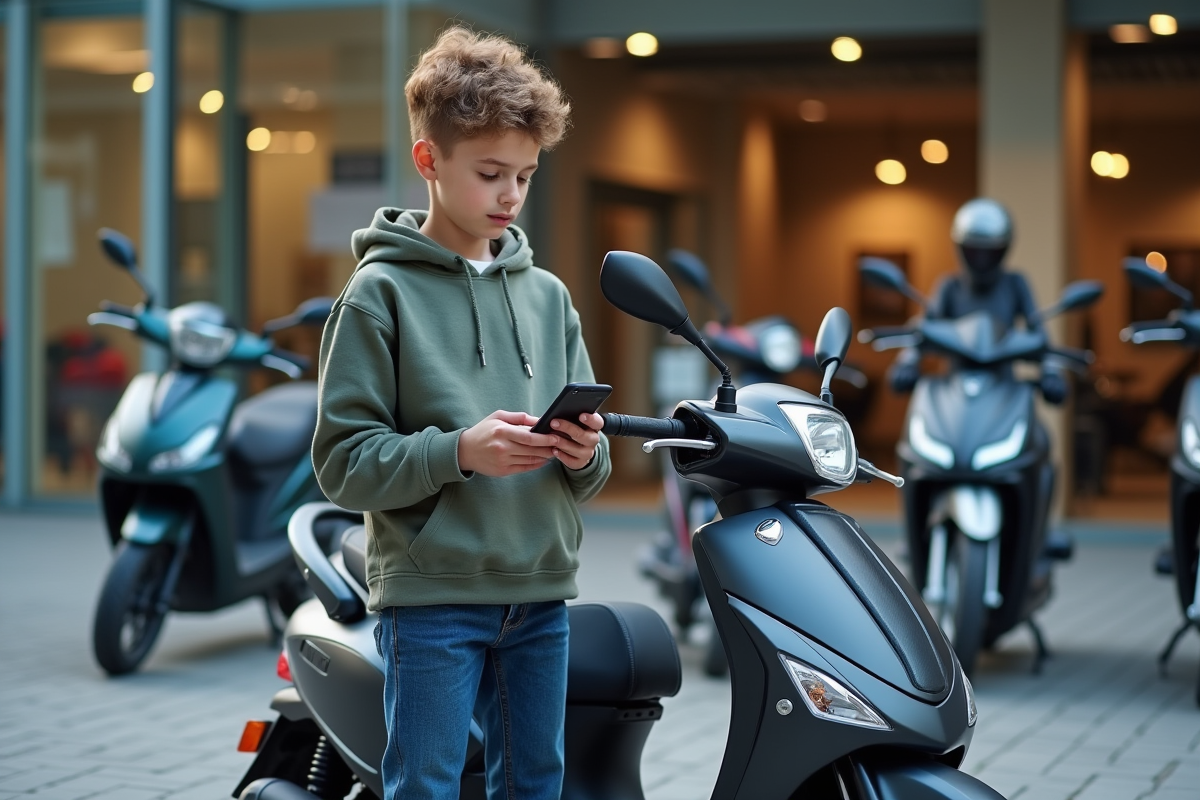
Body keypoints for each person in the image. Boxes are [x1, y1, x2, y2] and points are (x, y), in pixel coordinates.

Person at [310, 26, 611, 800]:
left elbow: (591, 474)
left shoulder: (548, 298)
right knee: (427, 786)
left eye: (526, 175)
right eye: (490, 173)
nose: (511, 194)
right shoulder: (379, 295)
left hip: (542, 590)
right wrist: (459, 453)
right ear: (429, 162)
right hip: (433, 599)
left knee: (535, 785)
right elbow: (342, 463)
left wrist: (585, 454)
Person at [887, 197, 1068, 404]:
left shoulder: (1015, 284)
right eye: (973, 251)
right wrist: (907, 362)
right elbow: (924, 327)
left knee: (1040, 435)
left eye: (990, 252)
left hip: (1004, 393)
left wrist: (1052, 372)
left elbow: (1039, 332)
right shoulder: (949, 286)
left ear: (1005, 249)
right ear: (960, 248)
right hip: (954, 395)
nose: (981, 260)